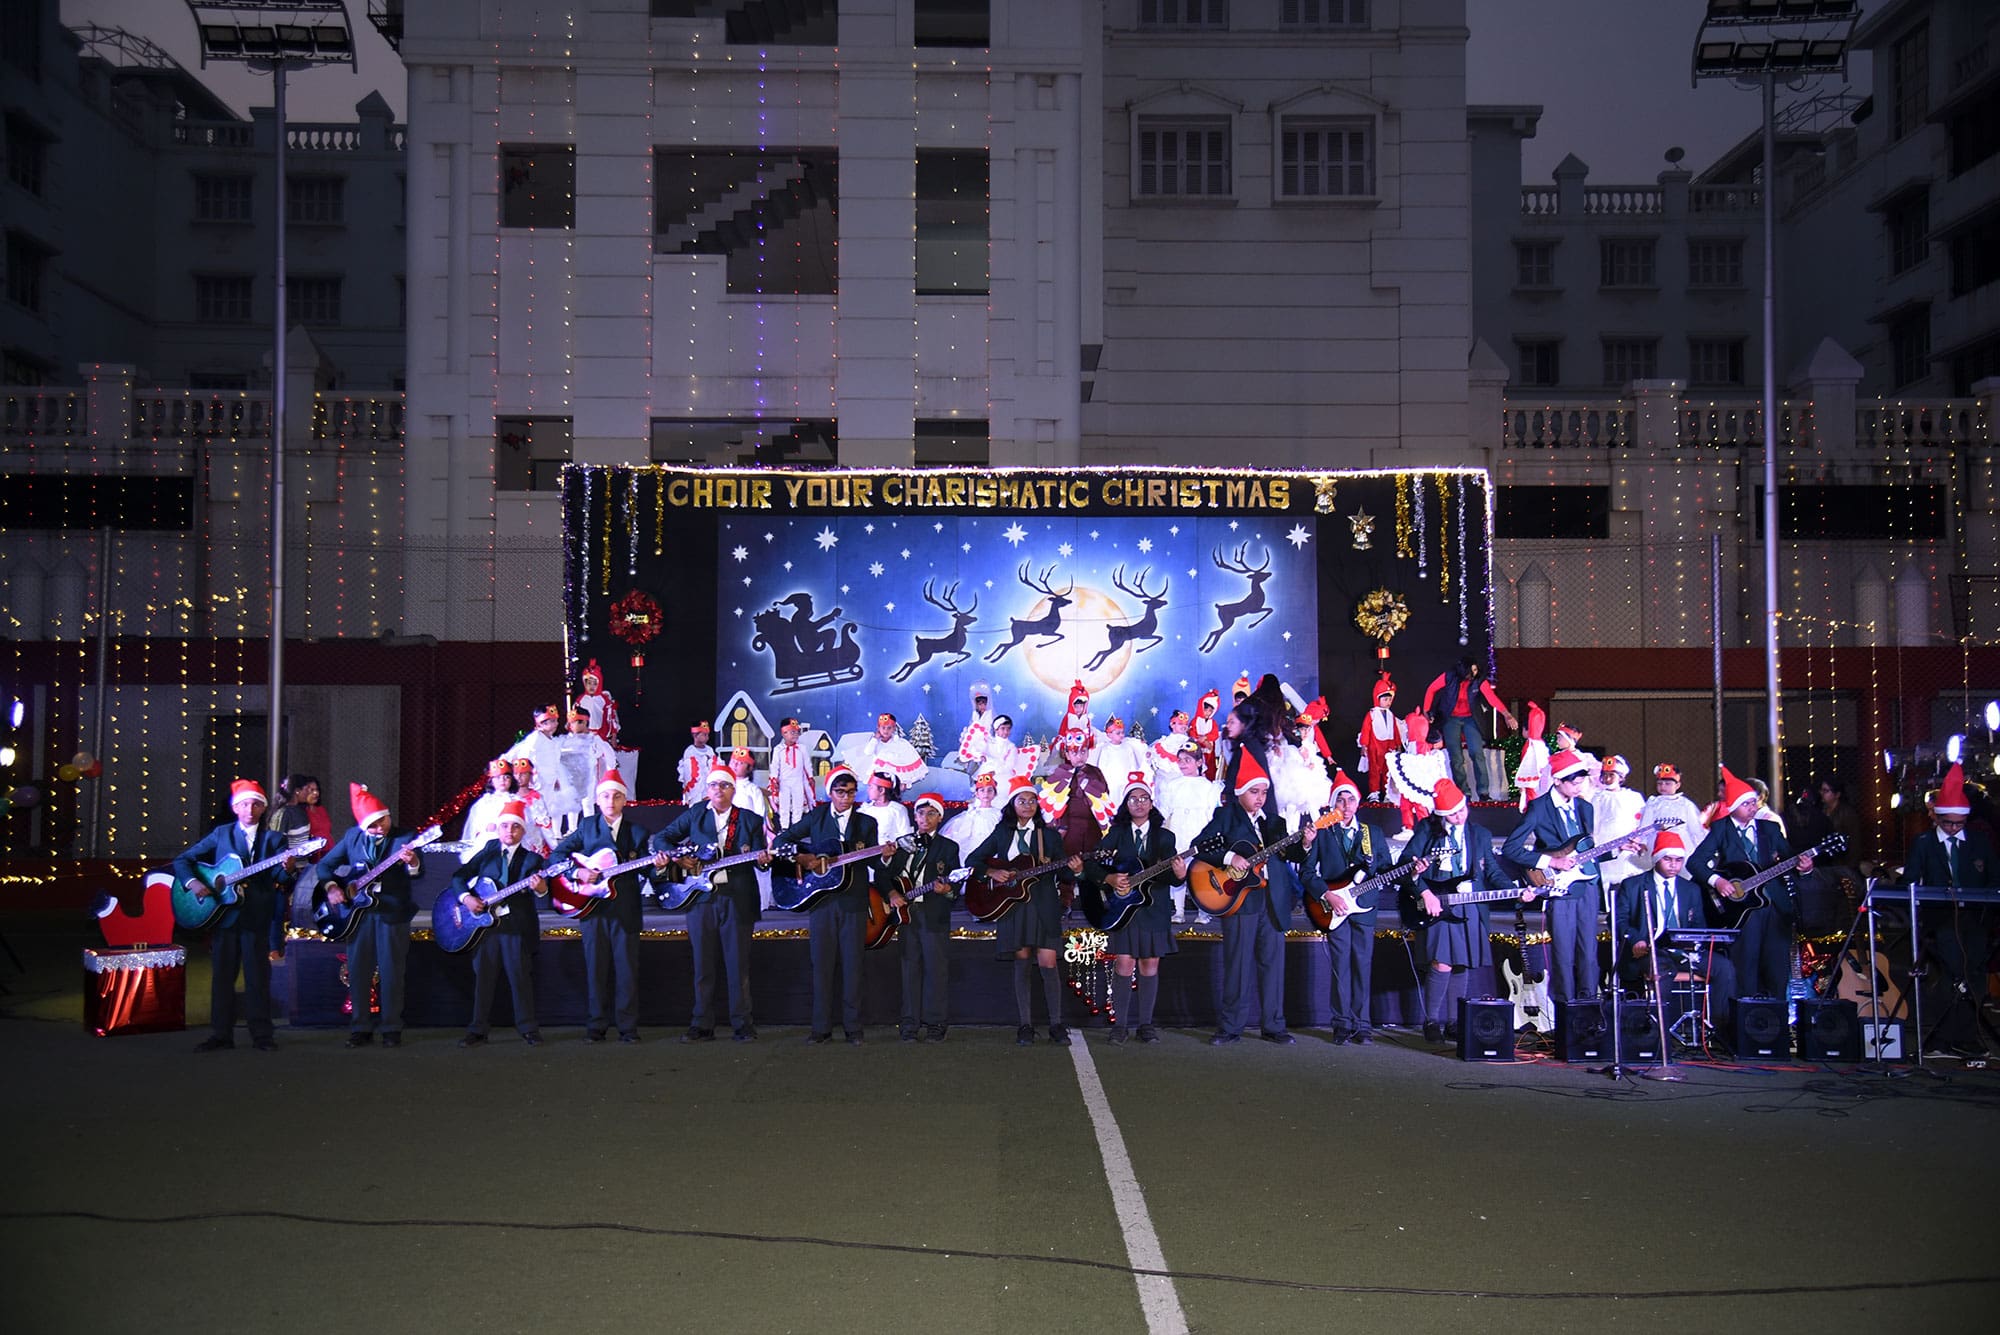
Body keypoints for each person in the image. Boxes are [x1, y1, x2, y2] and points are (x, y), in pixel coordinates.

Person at [1195, 749, 1314, 1046]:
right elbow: (1200, 846)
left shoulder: (1274, 822)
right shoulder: (1226, 816)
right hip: (1240, 901)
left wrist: (1306, 844)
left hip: (1272, 902)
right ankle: (1230, 1027)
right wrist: (1230, 857)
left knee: (1273, 966)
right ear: (1240, 792)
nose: (1260, 797)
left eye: (1263, 792)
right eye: (1254, 791)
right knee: (1237, 965)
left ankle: (1274, 1025)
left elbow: (1290, 854)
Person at [175, 779, 301, 1052]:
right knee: (222, 977)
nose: (250, 810)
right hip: (224, 916)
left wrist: (288, 868)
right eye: (244, 804)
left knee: (258, 978)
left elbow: (280, 878)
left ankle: (262, 1035)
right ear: (235, 808)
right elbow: (183, 860)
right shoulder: (221, 834)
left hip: (256, 917)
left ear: (263, 808)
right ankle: (221, 1034)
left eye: (256, 804)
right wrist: (193, 883)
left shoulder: (274, 840)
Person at [651, 766, 771, 1043]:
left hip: (737, 898)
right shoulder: (696, 814)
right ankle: (702, 1024)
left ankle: (742, 1024)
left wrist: (764, 860)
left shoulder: (750, 820)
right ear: (707, 790)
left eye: (724, 785)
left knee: (738, 965)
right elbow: (662, 838)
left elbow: (760, 861)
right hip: (700, 899)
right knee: (702, 965)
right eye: (714, 785)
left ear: (733, 790)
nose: (719, 790)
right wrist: (678, 857)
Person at [549, 768, 665, 1043]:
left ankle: (628, 1027)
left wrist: (659, 867)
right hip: (592, 910)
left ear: (625, 800)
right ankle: (596, 1026)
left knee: (627, 971)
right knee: (595, 969)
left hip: (625, 911)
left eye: (616, 796)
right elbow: (557, 855)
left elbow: (648, 870)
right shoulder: (587, 827)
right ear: (597, 800)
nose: (610, 801)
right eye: (605, 796)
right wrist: (577, 872)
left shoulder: (637, 832)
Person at [1403, 778, 1523, 1042]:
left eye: (1461, 810)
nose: (1459, 817)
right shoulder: (1427, 830)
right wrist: (1424, 891)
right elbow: (1405, 862)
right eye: (1452, 814)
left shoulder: (1480, 834)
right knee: (1442, 962)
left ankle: (1454, 1022)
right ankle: (1431, 1020)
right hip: (1438, 903)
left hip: (1469, 906)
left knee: (1462, 963)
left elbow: (1492, 871)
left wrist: (1515, 891)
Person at [970, 776, 1083, 1046]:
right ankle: (1025, 1025)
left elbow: (1064, 872)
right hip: (1012, 906)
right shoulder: (1002, 833)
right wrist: (992, 872)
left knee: (1048, 963)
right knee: (1021, 963)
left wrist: (1077, 870)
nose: (1028, 805)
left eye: (1032, 801)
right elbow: (973, 859)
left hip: (1044, 905)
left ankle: (1056, 1024)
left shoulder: (1049, 836)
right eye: (1022, 801)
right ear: (1012, 804)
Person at [1688, 767, 1812, 1004]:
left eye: (1754, 802)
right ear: (1734, 807)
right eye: (1746, 804)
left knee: (1777, 969)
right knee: (1746, 969)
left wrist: (1804, 868)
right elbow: (1695, 863)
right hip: (1743, 911)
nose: (1753, 807)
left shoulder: (1769, 828)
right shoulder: (1721, 828)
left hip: (1775, 906)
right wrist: (1718, 881)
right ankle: (1744, 1019)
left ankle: (1777, 1018)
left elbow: (1790, 858)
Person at [776, 765, 882, 1044]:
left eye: (851, 793)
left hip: (853, 902)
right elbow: (782, 839)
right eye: (840, 792)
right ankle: (820, 1028)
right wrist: (803, 858)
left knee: (853, 966)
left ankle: (853, 1028)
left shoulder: (867, 823)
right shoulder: (817, 816)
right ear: (830, 793)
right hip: (821, 901)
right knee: (821, 966)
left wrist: (884, 854)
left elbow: (874, 861)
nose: (846, 798)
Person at [1502, 749, 1615, 1004]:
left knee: (1589, 953)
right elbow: (1511, 848)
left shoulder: (1585, 807)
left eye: (1582, 782)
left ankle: (1588, 1006)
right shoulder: (1539, 808)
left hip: (1588, 885)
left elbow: (1586, 851)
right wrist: (1551, 861)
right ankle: (1565, 1009)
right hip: (1561, 887)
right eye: (1574, 782)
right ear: (1557, 781)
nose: (1579, 787)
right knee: (1563, 953)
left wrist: (1619, 849)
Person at [1897, 764, 1994, 1056]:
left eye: (1958, 823)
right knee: (1950, 973)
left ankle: (1968, 1035)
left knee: (1974, 973)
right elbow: (1910, 879)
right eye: (1948, 823)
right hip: (1940, 918)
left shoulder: (1979, 842)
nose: (1953, 828)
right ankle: (1942, 1037)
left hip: (1975, 918)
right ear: (1938, 818)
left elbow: (1993, 877)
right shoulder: (1925, 843)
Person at [322, 784, 425, 1049]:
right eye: (374, 826)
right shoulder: (352, 837)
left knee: (392, 971)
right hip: (358, 915)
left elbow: (419, 872)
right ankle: (360, 1028)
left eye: (384, 821)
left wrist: (412, 862)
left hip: (392, 913)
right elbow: (325, 865)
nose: (381, 828)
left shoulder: (405, 838)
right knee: (358, 971)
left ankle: (391, 1028)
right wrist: (332, 887)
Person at [1088, 771, 1187, 1045]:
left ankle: (1146, 1025)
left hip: (1154, 909)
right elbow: (1093, 864)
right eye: (1134, 799)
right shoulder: (1116, 835)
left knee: (1149, 963)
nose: (1139, 803)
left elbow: (1170, 876)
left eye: (1144, 798)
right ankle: (1120, 1026)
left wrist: (1180, 875)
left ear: (1151, 803)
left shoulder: (1165, 837)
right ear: (1126, 804)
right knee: (1124, 962)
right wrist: (1109, 878)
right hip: (1124, 910)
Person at [1614, 828, 1733, 1037]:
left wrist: (1695, 944)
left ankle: (1720, 1032)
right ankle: (1660, 1036)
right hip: (1650, 950)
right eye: (1668, 859)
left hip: (1685, 951)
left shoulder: (1691, 889)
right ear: (1656, 858)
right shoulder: (1633, 885)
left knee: (1724, 968)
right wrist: (1636, 940)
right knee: (1663, 970)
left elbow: (1698, 925)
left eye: (1678, 860)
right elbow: (1619, 920)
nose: (1673, 865)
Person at [450, 799, 548, 1047]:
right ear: (498, 828)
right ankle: (478, 1030)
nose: (509, 831)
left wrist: (540, 888)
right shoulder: (489, 851)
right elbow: (460, 876)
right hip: (485, 928)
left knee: (520, 977)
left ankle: (528, 1029)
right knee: (483, 978)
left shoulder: (532, 860)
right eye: (505, 826)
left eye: (515, 827)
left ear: (523, 831)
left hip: (515, 928)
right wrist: (466, 898)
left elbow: (543, 890)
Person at [1307, 769, 1390, 1045]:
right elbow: (1307, 873)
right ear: (1333, 804)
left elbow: (1386, 867)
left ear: (1358, 803)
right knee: (1340, 966)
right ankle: (1341, 1023)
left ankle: (1362, 1024)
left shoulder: (1372, 833)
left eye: (1350, 800)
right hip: (1336, 908)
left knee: (1362, 966)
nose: (1346, 806)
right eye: (1340, 801)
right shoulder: (1322, 833)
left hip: (1364, 908)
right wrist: (1327, 895)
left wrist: (1409, 872)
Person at [888, 794, 960, 1042]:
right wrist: (892, 893)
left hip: (933, 915)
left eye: (931, 814)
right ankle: (909, 1024)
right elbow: (885, 875)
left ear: (940, 818)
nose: (925, 818)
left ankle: (936, 1024)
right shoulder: (903, 844)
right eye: (921, 813)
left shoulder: (948, 847)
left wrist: (947, 889)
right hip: (907, 916)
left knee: (935, 970)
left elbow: (955, 882)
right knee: (909, 970)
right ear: (914, 816)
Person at [1422, 655, 1519, 803]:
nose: (1474, 673)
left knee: (1476, 752)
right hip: (1451, 718)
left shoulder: (1479, 680)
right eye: (1471, 670)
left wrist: (1507, 714)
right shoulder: (1449, 676)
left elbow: (1491, 698)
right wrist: (1426, 710)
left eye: (1475, 669)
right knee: (1456, 757)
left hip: (1470, 718)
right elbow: (1431, 689)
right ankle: (1463, 792)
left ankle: (1483, 792)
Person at [267, 772, 330, 961]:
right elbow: (274, 844)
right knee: (277, 911)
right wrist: (282, 868)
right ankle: (273, 950)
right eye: (306, 789)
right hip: (283, 871)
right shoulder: (283, 813)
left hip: (302, 870)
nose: (309, 793)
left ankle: (296, 948)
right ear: (297, 791)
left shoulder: (301, 812)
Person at [1159, 738, 1221, 923]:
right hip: (1178, 829)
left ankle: (1203, 911)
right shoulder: (1172, 785)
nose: (1183, 764)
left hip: (1198, 829)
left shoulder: (1208, 786)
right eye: (1180, 760)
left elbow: (1211, 814)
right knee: (1179, 867)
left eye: (1188, 760)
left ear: (1199, 762)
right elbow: (1164, 810)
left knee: (1199, 871)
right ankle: (1179, 911)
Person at [505, 704, 574, 830]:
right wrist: (531, 778)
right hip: (537, 784)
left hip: (548, 783)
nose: (554, 724)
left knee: (547, 811)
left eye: (555, 721)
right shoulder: (535, 738)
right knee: (536, 813)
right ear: (540, 724)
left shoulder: (552, 740)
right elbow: (525, 758)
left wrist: (556, 779)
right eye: (549, 722)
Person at [1047, 729, 1112, 858]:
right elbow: (1057, 803)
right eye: (1074, 752)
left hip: (1093, 825)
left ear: (1088, 753)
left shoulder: (1095, 772)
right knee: (1070, 859)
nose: (1079, 756)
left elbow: (1104, 794)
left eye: (1083, 751)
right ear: (1067, 754)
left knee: (1092, 859)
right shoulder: (1061, 773)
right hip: (1070, 827)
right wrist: (1062, 826)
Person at [1591, 755, 1648, 889]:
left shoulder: (1634, 797)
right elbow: (1593, 824)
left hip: (1629, 848)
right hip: (1606, 847)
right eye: (1605, 775)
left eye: (1611, 775)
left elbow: (1641, 822)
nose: (1607, 779)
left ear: (1621, 777)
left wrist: (1640, 841)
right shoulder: (1597, 797)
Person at [844, 711, 928, 791]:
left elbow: (905, 758)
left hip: (894, 776)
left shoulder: (899, 743)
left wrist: (905, 781)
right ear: (878, 728)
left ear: (894, 728)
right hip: (879, 776)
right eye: (883, 728)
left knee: (897, 786)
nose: (886, 731)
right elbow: (868, 752)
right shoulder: (875, 742)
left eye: (889, 728)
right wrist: (875, 739)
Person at [1355, 673, 1404, 803]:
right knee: (1375, 770)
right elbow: (1366, 730)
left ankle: (1388, 793)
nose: (1388, 702)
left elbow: (1395, 730)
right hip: (1375, 747)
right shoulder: (1372, 714)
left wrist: (1398, 744)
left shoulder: (1391, 715)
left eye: (1390, 700)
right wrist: (1364, 745)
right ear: (1378, 699)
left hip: (1389, 746)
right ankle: (1374, 793)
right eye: (1385, 699)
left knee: (1388, 770)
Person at [1641, 764, 1705, 860]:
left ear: (1677, 785)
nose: (1663, 786)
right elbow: (1645, 825)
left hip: (1682, 844)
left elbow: (1695, 829)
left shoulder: (1686, 804)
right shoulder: (1653, 803)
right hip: (1657, 843)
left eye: (1667, 784)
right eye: (1659, 783)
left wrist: (1701, 848)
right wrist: (1642, 842)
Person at [459, 758, 518, 859]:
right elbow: (475, 823)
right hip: (489, 839)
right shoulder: (484, 802)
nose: (502, 780)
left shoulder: (517, 801)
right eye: (498, 777)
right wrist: (485, 827)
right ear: (491, 781)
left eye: (506, 777)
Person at [768, 716, 819, 831]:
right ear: (784, 734)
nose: (795, 735)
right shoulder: (778, 749)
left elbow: (807, 764)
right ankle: (784, 827)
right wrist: (774, 779)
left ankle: (797, 827)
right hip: (784, 782)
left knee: (798, 804)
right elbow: (775, 765)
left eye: (797, 732)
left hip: (798, 781)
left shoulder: (802, 748)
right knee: (784, 805)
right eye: (792, 732)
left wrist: (810, 776)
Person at [942, 770, 1003, 852]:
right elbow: (962, 833)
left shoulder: (999, 813)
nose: (986, 794)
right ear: (977, 794)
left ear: (995, 794)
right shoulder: (971, 813)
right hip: (973, 847)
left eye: (990, 790)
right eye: (982, 790)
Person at [507, 756, 557, 855]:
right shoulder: (507, 798)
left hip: (534, 844)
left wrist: (555, 848)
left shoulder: (536, 798)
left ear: (530, 775)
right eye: (516, 774)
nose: (519, 777)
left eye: (523, 774)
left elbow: (544, 825)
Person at [1091, 716, 1149, 790]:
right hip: (1111, 783)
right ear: (1109, 735)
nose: (1121, 735)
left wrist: (1133, 778)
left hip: (1126, 781)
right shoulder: (1105, 749)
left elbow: (1132, 764)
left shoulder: (1128, 747)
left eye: (1122, 732)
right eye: (1118, 733)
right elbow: (1102, 767)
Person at [1512, 703, 1551, 811]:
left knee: (1533, 806)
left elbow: (1527, 766)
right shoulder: (1541, 744)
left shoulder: (1531, 745)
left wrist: (1522, 784)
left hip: (1532, 783)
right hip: (1543, 780)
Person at [859, 767, 913, 843]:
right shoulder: (865, 809)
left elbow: (905, 836)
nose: (868, 790)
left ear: (881, 790)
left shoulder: (897, 810)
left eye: (871, 787)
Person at [575, 658, 621, 747]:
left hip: (601, 737)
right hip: (584, 737)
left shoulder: (604, 699)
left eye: (595, 684)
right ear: (584, 683)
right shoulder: (580, 700)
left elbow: (611, 718)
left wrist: (614, 736)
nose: (591, 686)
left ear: (599, 683)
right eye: (589, 683)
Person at [955, 682, 996, 768]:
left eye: (984, 704)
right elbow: (973, 725)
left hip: (985, 738)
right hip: (976, 737)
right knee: (970, 746)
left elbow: (989, 729)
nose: (982, 706)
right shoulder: (975, 714)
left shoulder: (989, 714)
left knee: (978, 749)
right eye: (980, 704)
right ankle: (965, 762)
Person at [679, 720, 719, 805]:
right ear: (695, 735)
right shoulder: (690, 751)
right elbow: (689, 773)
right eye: (704, 735)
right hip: (697, 791)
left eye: (707, 735)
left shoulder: (709, 750)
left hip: (709, 788)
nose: (707, 737)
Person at [1151, 709, 1193, 785]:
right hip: (1167, 779)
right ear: (1172, 725)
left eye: (1186, 724)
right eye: (1180, 724)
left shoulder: (1190, 742)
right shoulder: (1164, 742)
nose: (1184, 726)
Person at [1189, 688, 1223, 780]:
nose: (1208, 713)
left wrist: (1206, 737)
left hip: (1209, 751)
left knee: (1209, 767)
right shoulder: (1195, 721)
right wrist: (1198, 739)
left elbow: (1215, 734)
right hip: (1197, 749)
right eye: (1206, 710)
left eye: (1210, 711)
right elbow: (1192, 732)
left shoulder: (1213, 722)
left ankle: (1210, 781)